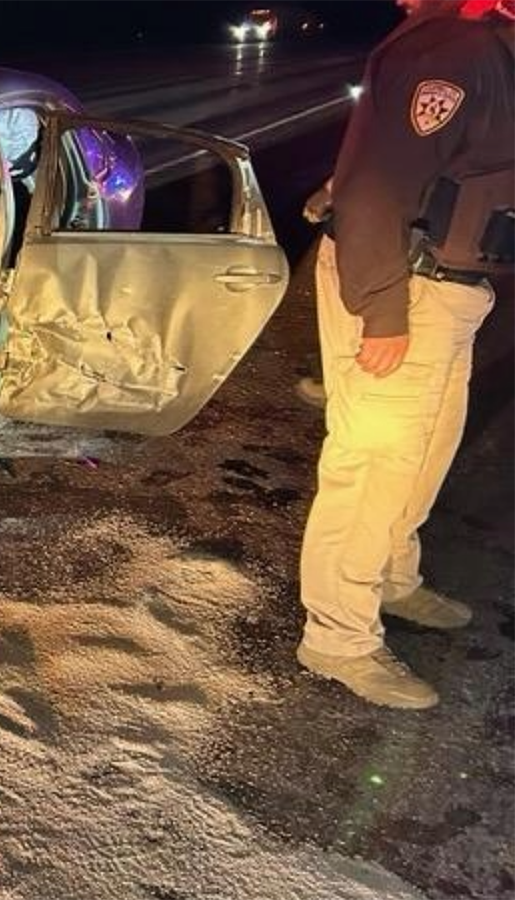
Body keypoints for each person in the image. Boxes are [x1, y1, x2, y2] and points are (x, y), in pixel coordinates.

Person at [297, 0, 515, 708]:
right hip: (407, 284)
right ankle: (338, 637)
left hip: (451, 288)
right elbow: (376, 189)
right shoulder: (456, 51)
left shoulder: (491, 47)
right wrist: (383, 311)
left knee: (424, 452)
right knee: (372, 464)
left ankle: (390, 576)